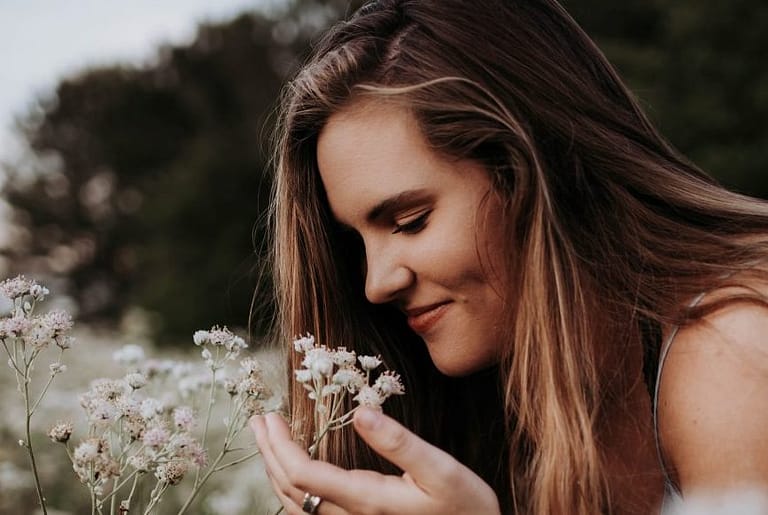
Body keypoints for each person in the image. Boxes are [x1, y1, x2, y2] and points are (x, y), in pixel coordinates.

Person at [249, 0, 768, 513]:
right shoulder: (501, 396)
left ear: (533, 174)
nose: (376, 284)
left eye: (411, 221)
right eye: (355, 244)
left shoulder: (736, 351)